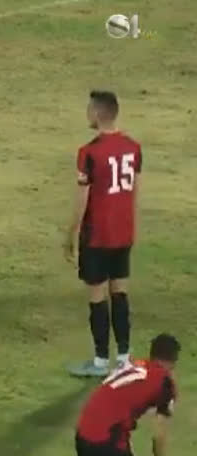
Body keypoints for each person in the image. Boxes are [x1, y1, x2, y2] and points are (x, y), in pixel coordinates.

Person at [66, 91, 142, 377]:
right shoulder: (133, 148)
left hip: (97, 235)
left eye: (89, 109)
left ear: (98, 114)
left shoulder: (89, 152)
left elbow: (82, 200)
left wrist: (71, 235)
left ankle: (100, 362)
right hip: (123, 233)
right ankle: (124, 359)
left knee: (97, 296)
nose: (87, 113)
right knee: (120, 293)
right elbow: (134, 190)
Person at [75, 333, 180, 456]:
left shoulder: (132, 365)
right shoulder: (163, 382)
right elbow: (159, 435)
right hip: (105, 440)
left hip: (82, 434)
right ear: (174, 360)